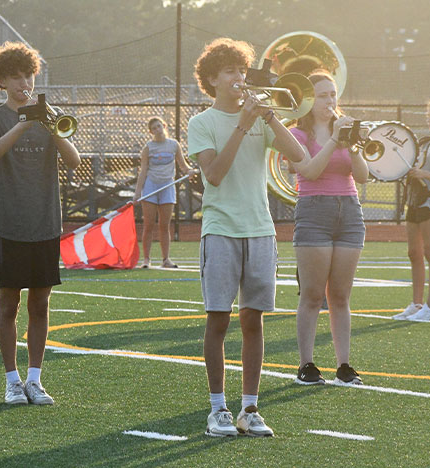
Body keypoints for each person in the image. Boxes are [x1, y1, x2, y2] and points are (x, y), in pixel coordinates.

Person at [187, 38, 305, 437]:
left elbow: (300, 157)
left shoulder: (260, 117)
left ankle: (250, 408)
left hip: (260, 230)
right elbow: (214, 175)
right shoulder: (201, 123)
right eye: (230, 72)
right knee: (218, 320)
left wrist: (269, 118)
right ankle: (218, 409)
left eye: (242, 70)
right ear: (212, 80)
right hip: (220, 229)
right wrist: (242, 124)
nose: (239, 78)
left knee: (253, 321)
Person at [0, 41, 80, 405]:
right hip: (11, 224)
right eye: (16, 76)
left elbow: (74, 160)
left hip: (46, 224)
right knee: (8, 304)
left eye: (28, 75)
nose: (24, 82)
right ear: (1, 81)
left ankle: (35, 379)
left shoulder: (50, 115)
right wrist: (22, 125)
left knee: (41, 304)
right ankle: (11, 380)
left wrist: (48, 124)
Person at [287, 70, 370, 386]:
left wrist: (353, 146)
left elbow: (361, 176)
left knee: (340, 296)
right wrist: (335, 138)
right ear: (309, 100)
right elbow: (310, 170)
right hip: (314, 212)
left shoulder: (345, 132)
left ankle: (344, 365)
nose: (330, 101)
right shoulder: (298, 135)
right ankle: (306, 364)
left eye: (333, 94)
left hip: (349, 212)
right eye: (322, 95)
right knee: (311, 295)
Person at [393, 95, 430, 322]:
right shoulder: (427, 142)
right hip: (415, 200)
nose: (428, 119)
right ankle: (416, 304)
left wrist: (422, 174)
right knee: (414, 253)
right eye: (427, 115)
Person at [133, 116, 193, 269]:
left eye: (159, 126)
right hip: (151, 186)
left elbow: (183, 165)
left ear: (164, 126)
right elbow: (143, 170)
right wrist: (138, 192)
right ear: (150, 132)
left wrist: (189, 171)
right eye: (154, 129)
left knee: (164, 225)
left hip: (168, 186)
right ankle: (146, 260)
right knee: (148, 224)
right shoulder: (148, 148)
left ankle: (166, 259)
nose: (157, 130)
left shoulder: (174, 145)